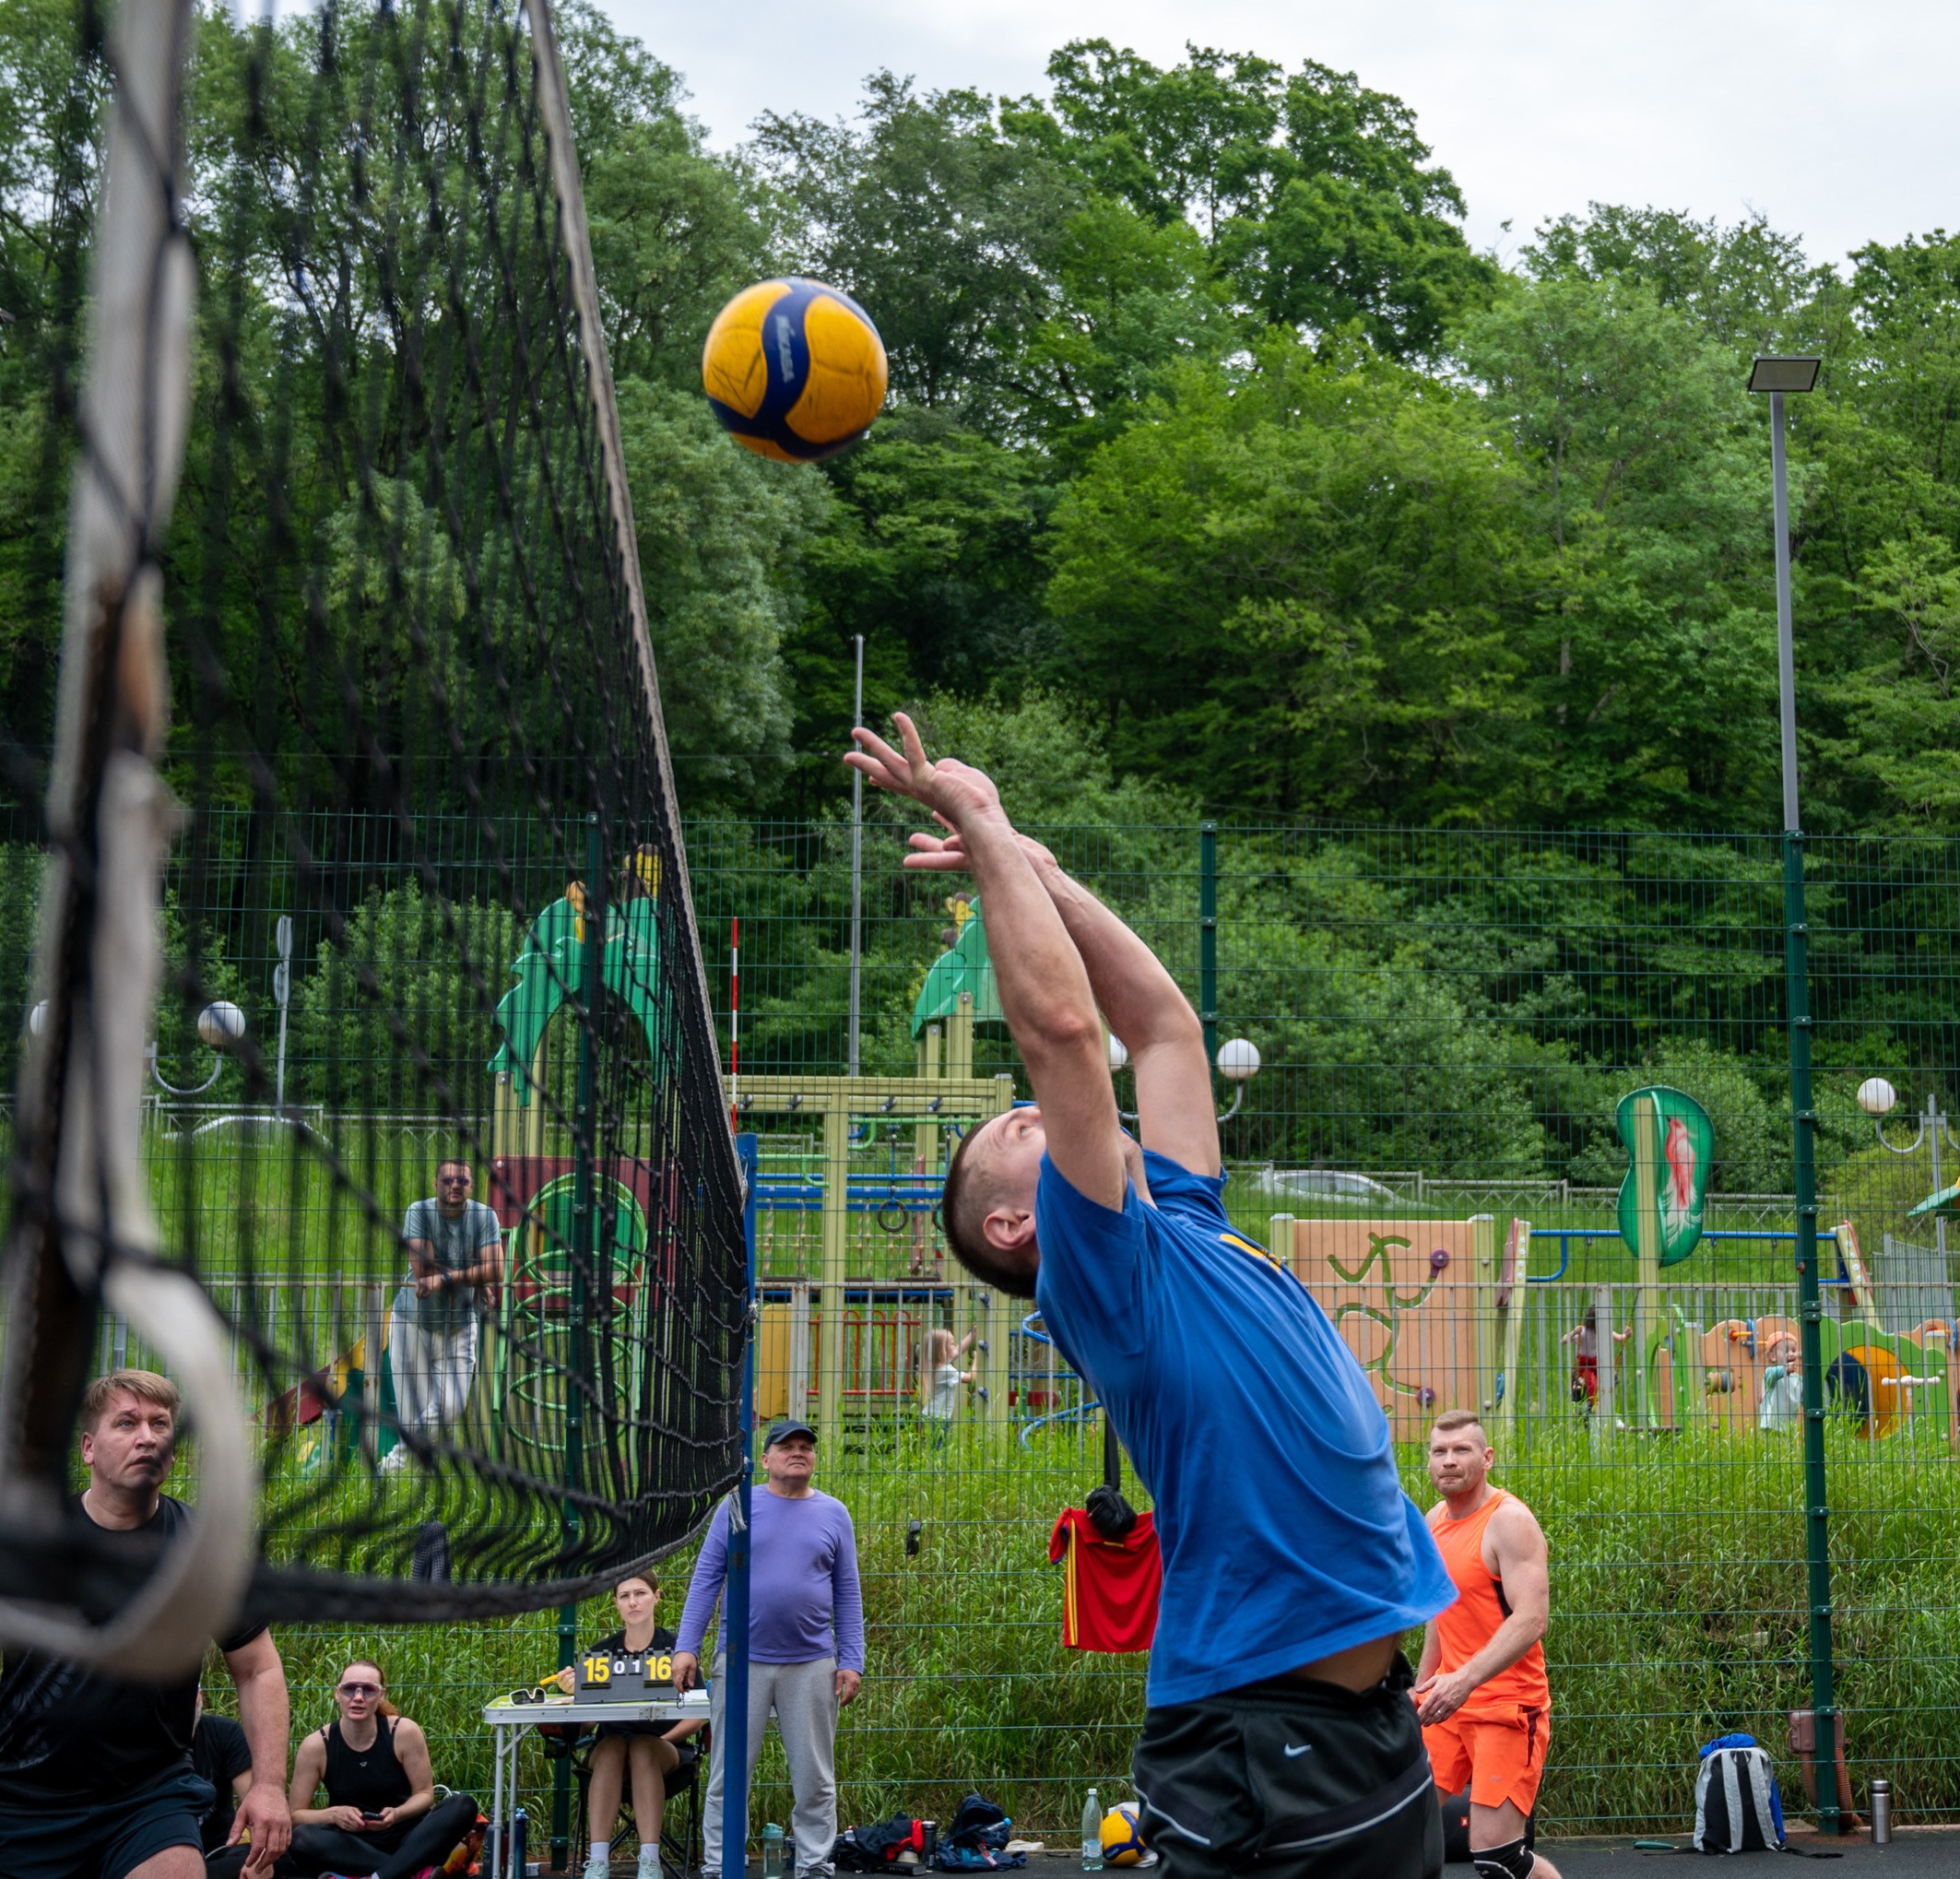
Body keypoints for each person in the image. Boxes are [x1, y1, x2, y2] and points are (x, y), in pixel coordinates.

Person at [846, 713, 1455, 1879]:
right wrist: (976, 814)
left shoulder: (1181, 1220)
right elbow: (1065, 1029)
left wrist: (1034, 867)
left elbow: (1164, 1029)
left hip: (1359, 1721)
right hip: (1258, 1736)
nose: (1045, 1110)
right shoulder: (1099, 1271)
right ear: (1016, 1224)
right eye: (1020, 1126)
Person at [0, 1370, 292, 1879]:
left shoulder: (206, 1551)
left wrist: (270, 1786)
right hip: (23, 1797)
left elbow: (258, 1670)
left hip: (149, 1798)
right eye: (126, 1423)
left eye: (160, 1425)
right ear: (88, 1448)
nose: (148, 1437)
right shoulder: (24, 1544)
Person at [671, 1421, 864, 1879]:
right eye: (787, 1446)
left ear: (814, 1458)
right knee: (728, 1775)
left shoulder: (834, 1513)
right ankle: (721, 1865)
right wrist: (686, 1647)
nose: (798, 1453)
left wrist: (852, 1661)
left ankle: (814, 1864)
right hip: (741, 1662)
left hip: (812, 1664)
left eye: (806, 1447)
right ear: (765, 1458)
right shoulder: (737, 1506)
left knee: (814, 1778)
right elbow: (706, 1579)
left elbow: (848, 1592)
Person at [1414, 1412, 1562, 1879]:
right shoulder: (1433, 1522)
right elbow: (1441, 1613)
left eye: (1462, 1450)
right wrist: (1423, 1687)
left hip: (1507, 1707)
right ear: (1428, 1461)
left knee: (1498, 1858)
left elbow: (1531, 1619)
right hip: (1448, 1704)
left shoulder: (1509, 1522)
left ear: (1487, 1458)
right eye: (1440, 1451)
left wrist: (1464, 1680)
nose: (1449, 1461)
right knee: (1397, 1828)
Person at [282, 1660, 478, 1879]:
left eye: (368, 1690)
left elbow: (424, 1794)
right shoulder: (317, 1745)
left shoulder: (403, 1732)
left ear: (381, 1695)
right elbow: (296, 1815)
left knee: (463, 1805)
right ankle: (410, 1872)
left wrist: (397, 1814)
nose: (358, 1697)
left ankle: (380, 1876)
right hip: (353, 1845)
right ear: (337, 1694)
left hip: (409, 1836)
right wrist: (334, 1815)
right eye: (349, 1689)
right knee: (302, 1838)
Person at [582, 1571, 706, 1879]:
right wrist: (578, 1693)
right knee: (613, 1747)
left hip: (665, 1749)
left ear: (657, 1596)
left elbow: (700, 1713)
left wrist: (665, 1739)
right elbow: (583, 1725)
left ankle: (650, 1863)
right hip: (610, 1751)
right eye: (624, 1596)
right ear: (615, 1603)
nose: (633, 1602)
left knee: (642, 1747)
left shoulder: (678, 1651)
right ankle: (597, 1862)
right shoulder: (600, 1653)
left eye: (640, 1593)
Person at [386, 1158, 504, 1467]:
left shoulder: (484, 1216)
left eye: (462, 1181)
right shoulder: (418, 1212)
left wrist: (450, 1278)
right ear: (435, 1184)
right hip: (413, 1324)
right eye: (448, 1180)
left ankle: (392, 1466)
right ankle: (406, 1481)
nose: (455, 1186)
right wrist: (475, 1275)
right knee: (413, 1416)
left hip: (459, 1326)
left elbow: (497, 1270)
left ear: (471, 1186)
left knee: (453, 1405)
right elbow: (423, 1270)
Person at [192, 1698, 254, 1879]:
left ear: (200, 1696)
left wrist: (259, 1859)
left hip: (221, 1848)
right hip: (162, 1851)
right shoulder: (143, 1741)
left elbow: (253, 1803)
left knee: (273, 1857)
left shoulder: (224, 1732)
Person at [1559, 1308, 1626, 1409]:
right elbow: (1563, 1340)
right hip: (1585, 1366)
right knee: (1592, 1384)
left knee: (1608, 1381)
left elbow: (1620, 1338)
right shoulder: (1583, 1331)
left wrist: (1627, 1334)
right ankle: (1598, 1408)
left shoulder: (1604, 1330)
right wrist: (1574, 1332)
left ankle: (1604, 1404)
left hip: (1599, 1365)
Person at [920, 1327, 979, 1432]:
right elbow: (970, 1377)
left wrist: (971, 1336)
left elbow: (957, 1351)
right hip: (939, 1419)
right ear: (942, 1349)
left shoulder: (934, 1365)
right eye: (952, 1344)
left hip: (929, 1414)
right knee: (940, 1442)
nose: (954, 1346)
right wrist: (976, 1359)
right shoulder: (946, 1371)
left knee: (934, 1441)